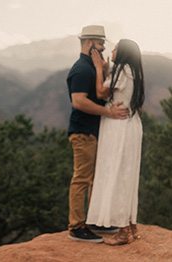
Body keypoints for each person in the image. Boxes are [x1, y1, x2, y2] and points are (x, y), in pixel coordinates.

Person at [66, 25, 130, 243]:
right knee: (82, 178)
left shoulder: (92, 66)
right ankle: (76, 226)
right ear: (88, 42)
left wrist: (103, 69)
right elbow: (79, 101)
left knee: (93, 178)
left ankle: (93, 220)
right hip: (83, 131)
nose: (103, 46)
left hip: (92, 131)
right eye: (100, 42)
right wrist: (109, 113)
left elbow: (101, 92)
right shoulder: (82, 69)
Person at [86, 39, 145, 245]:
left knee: (118, 174)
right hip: (131, 124)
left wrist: (98, 69)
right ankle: (131, 225)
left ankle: (122, 231)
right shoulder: (134, 71)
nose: (111, 51)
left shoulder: (122, 69)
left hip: (118, 127)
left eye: (115, 48)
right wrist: (106, 67)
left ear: (123, 53)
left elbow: (102, 92)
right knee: (127, 175)